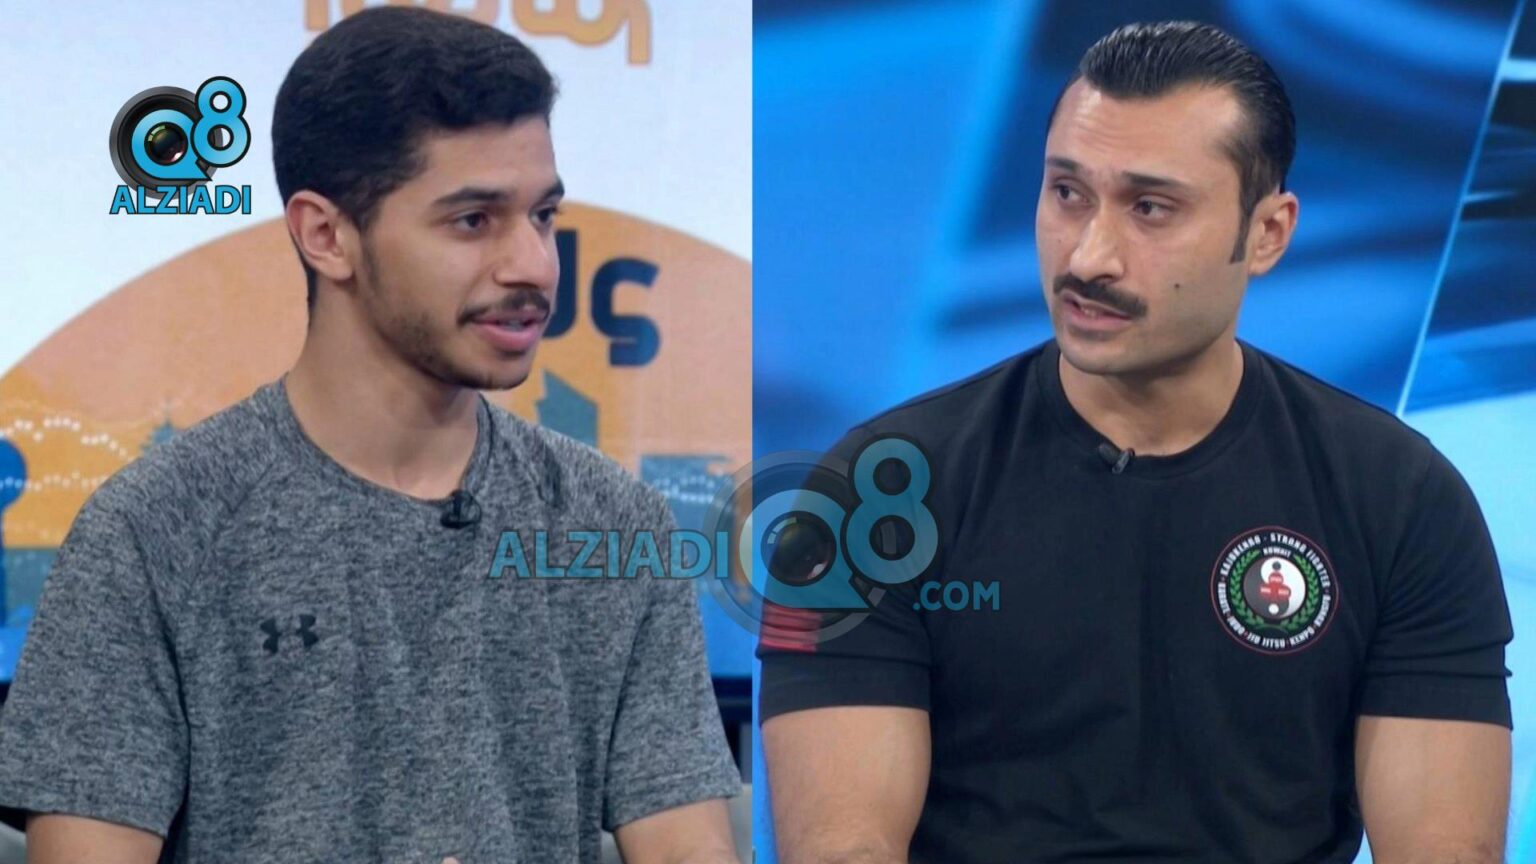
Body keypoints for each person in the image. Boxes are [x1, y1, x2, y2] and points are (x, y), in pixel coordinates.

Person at [759, 20, 1512, 864]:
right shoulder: (872, 494)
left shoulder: (1401, 497)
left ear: (1267, 233)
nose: (1090, 257)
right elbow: (843, 847)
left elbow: (1444, 849)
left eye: (1151, 208)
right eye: (1067, 193)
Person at [0, 7, 740, 862]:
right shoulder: (153, 533)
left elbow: (688, 849)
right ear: (326, 236)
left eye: (542, 216)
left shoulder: (611, 523)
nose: (535, 266)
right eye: (474, 220)